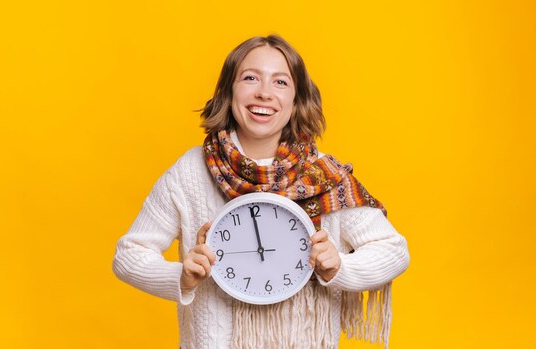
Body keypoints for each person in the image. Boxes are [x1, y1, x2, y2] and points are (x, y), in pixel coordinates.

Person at [112, 35, 410, 349]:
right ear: (229, 91)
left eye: (280, 82)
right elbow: (128, 256)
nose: (264, 93)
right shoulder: (191, 171)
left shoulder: (322, 176)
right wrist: (181, 278)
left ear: (297, 100)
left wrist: (338, 266)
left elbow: (394, 251)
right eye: (250, 78)